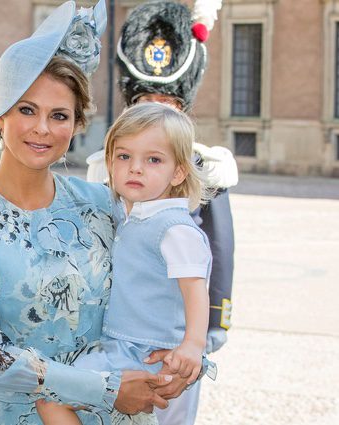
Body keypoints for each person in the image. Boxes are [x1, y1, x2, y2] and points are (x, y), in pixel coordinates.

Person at [0, 2, 189, 424]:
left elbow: (152, 289)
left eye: (59, 116)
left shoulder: (105, 203)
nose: (43, 129)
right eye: (27, 110)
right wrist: (106, 390)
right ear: (1, 115)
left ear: (76, 124)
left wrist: (174, 353)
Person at [84, 2, 237, 423]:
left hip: (167, 337)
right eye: (146, 100)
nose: (157, 108)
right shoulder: (108, 166)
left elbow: (216, 253)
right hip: (122, 331)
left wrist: (208, 330)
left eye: (167, 100)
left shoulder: (208, 167)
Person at [38, 102, 216, 425]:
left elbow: (196, 290)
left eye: (153, 160)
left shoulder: (173, 228)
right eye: (124, 157)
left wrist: (193, 345)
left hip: (158, 355)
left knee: (53, 396)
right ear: (110, 162)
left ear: (178, 172)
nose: (136, 168)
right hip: (123, 346)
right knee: (53, 396)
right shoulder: (132, 216)